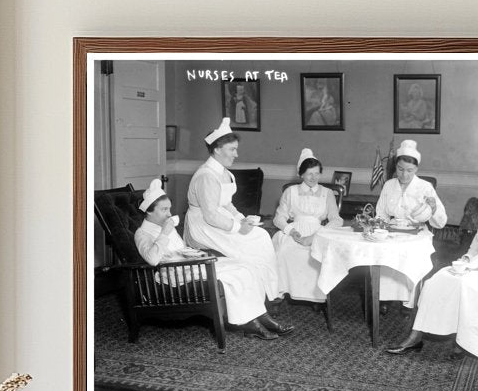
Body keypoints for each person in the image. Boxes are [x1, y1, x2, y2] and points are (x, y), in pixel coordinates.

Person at [387, 159, 478, 365]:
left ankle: (465, 339)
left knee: (465, 284)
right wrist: (467, 258)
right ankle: (415, 337)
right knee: (436, 281)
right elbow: (477, 246)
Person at [134, 180, 290, 340]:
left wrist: (195, 254)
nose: (169, 214)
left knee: (246, 265)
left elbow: (181, 250)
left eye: (169, 209)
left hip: (190, 264)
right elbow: (152, 259)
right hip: (175, 273)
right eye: (164, 209)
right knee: (236, 274)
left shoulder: (165, 225)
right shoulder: (142, 234)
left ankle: (260, 316)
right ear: (149, 212)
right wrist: (165, 234)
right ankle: (250, 324)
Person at [183, 117, 288, 319]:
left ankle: (267, 295)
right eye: (232, 149)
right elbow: (211, 214)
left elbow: (226, 203)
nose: (236, 154)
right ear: (216, 150)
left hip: (220, 220)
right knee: (252, 242)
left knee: (260, 236)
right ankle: (258, 302)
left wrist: (242, 219)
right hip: (203, 226)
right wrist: (237, 228)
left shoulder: (224, 173)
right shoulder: (206, 175)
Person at [373, 139, 447, 310]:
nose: (404, 175)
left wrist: (434, 208)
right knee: (386, 256)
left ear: (416, 169)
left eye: (409, 170)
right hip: (392, 232)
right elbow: (381, 213)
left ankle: (410, 303)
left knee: (411, 261)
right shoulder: (389, 185)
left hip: (417, 235)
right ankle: (385, 298)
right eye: (400, 169)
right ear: (395, 167)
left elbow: (441, 222)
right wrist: (381, 229)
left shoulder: (425, 187)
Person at [272, 149, 341, 303]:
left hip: (318, 231)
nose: (313, 178)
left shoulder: (327, 193)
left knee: (317, 255)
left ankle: (315, 297)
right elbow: (279, 218)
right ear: (301, 174)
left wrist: (318, 235)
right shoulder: (291, 191)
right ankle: (281, 292)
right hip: (295, 230)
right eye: (309, 173)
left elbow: (336, 220)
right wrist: (291, 230)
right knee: (284, 251)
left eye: (317, 173)